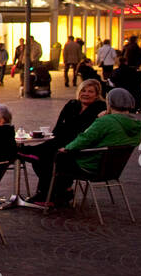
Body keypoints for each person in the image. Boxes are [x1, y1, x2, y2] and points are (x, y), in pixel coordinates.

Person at [48, 87, 141, 205]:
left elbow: (85, 138)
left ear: (110, 102)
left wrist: (67, 148)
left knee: (54, 157)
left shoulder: (106, 121)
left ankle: (51, 196)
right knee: (63, 158)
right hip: (112, 168)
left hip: (91, 165)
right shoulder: (135, 124)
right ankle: (63, 193)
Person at [23, 78, 106, 206]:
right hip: (60, 141)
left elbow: (89, 134)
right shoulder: (72, 104)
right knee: (42, 157)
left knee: (42, 157)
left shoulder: (100, 108)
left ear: (97, 95)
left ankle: (49, 193)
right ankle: (58, 192)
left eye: (90, 92)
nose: (86, 94)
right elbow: (58, 127)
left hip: (78, 147)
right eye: (83, 90)